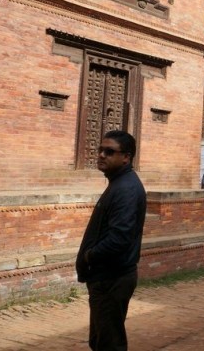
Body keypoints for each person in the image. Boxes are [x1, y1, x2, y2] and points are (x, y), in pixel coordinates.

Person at [76, 130, 147, 351]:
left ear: (126, 157)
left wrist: (90, 255)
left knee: (109, 343)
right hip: (107, 276)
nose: (102, 155)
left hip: (111, 277)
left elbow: (119, 238)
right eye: (100, 150)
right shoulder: (119, 184)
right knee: (101, 340)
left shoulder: (126, 189)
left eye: (109, 151)